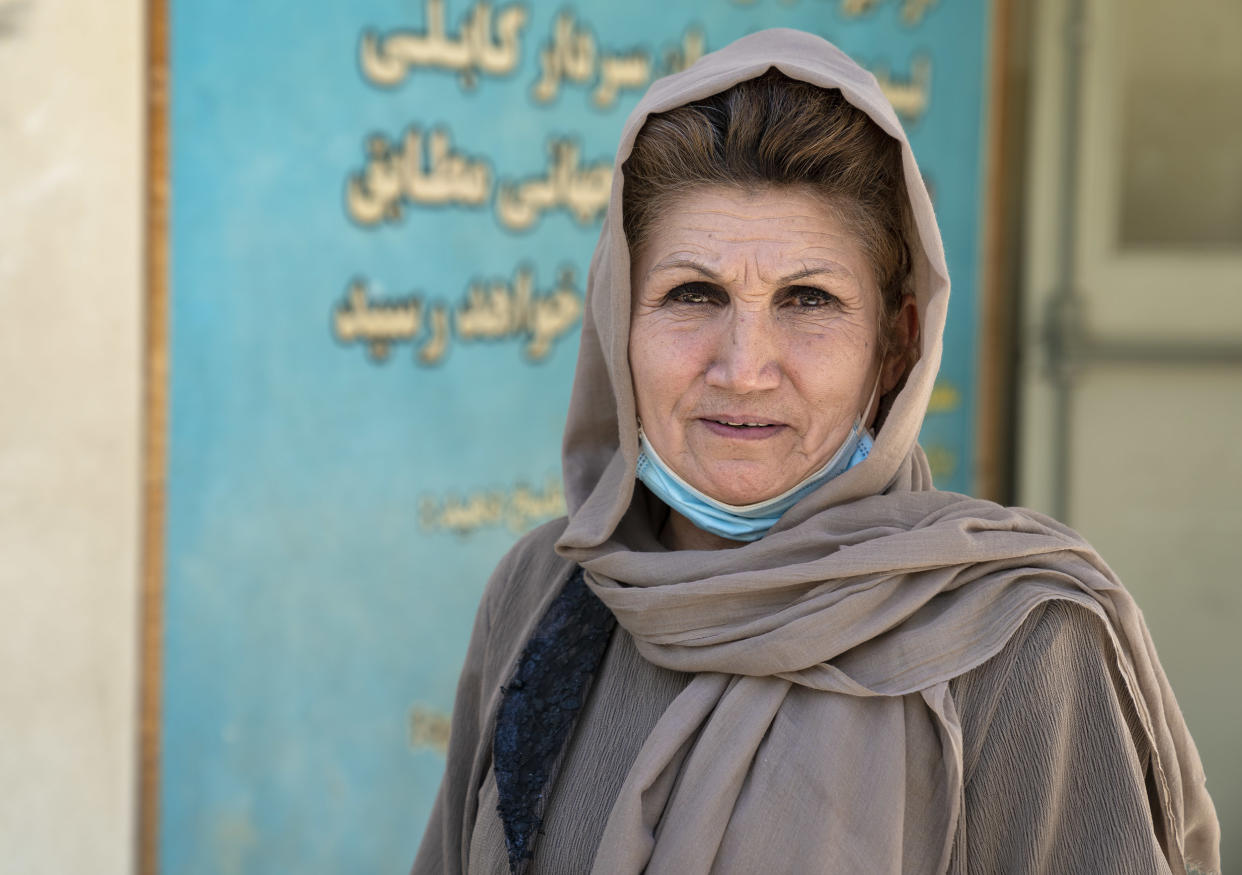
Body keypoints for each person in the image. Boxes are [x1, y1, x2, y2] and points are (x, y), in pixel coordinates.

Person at [411, 29, 1220, 875]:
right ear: (619, 327)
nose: (744, 369)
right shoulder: (545, 595)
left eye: (808, 299)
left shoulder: (1021, 648)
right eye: (693, 294)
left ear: (896, 346)